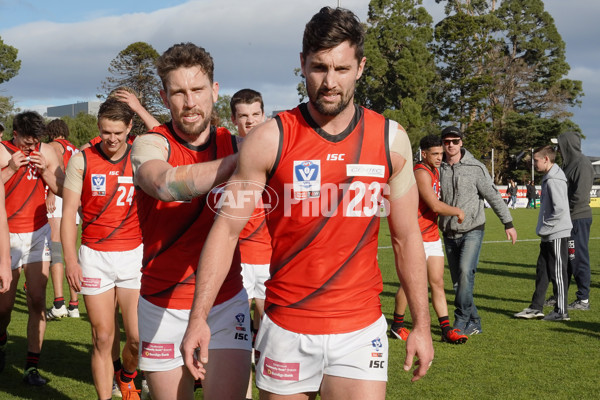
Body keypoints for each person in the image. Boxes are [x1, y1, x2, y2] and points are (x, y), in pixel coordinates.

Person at [181, 7, 434, 400]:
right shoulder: (270, 139)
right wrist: (199, 319)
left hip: (359, 329)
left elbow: (406, 237)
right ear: (302, 64)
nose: (330, 82)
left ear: (361, 67)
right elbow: (227, 230)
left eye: (342, 69)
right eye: (319, 67)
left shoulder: (390, 139)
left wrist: (421, 324)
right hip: (287, 327)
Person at [131, 42, 250, 400]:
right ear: (164, 98)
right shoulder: (150, 144)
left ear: (214, 91)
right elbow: (164, 184)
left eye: (197, 90)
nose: (190, 101)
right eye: (178, 92)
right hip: (162, 299)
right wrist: (238, 163)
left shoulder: (237, 142)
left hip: (225, 298)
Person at [62, 98, 143, 400]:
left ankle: (128, 376)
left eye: (117, 133)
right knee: (103, 337)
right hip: (94, 257)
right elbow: (69, 214)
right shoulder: (81, 159)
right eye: (105, 131)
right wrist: (71, 261)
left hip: (133, 255)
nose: (111, 139)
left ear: (129, 128)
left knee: (137, 338)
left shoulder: (140, 158)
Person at [0, 111, 64, 385]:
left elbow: (63, 188)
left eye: (35, 142)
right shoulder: (3, 152)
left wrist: (46, 171)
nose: (31, 148)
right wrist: (12, 168)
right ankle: (1, 341)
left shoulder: (47, 151)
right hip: (8, 235)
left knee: (37, 300)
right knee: (4, 306)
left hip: (38, 233)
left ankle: (31, 367)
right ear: (15, 134)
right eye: (27, 143)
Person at [438, 125, 517, 335]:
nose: (451, 145)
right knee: (458, 283)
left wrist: (508, 223)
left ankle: (461, 321)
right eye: (447, 142)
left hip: (473, 229)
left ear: (461, 142)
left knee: (465, 273)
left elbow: (493, 196)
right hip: (447, 232)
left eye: (455, 141)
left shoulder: (476, 168)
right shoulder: (437, 168)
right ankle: (475, 322)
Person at [390, 135, 468, 344]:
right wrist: (457, 211)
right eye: (435, 154)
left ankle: (445, 329)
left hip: (431, 235)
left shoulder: (434, 170)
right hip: (415, 236)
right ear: (423, 154)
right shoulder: (420, 172)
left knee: (437, 283)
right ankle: (397, 325)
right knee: (410, 282)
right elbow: (434, 205)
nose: (439, 157)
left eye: (441, 153)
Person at [230, 88, 271, 399]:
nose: (249, 121)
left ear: (263, 116)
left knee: (269, 331)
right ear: (234, 120)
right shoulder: (225, 152)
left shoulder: (276, 152)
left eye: (255, 115)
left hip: (271, 257)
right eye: (243, 116)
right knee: (239, 334)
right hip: (237, 258)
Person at [514, 146, 572, 321]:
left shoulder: (555, 179)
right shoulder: (549, 178)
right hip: (548, 234)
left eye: (536, 160)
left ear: (546, 159)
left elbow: (560, 209)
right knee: (542, 271)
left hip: (556, 233)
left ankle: (561, 311)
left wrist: (546, 226)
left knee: (558, 273)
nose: (534, 163)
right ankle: (536, 307)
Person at [44, 119, 80, 320]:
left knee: (55, 249)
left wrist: (51, 192)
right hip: (72, 199)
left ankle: (59, 303)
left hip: (58, 197)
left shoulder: (52, 146)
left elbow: (56, 169)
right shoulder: (74, 148)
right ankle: (74, 305)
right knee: (70, 251)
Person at [555, 132, 594, 311]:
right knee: (565, 259)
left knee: (577, 258)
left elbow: (580, 196)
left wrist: (564, 211)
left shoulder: (582, 164)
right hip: (567, 219)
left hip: (577, 218)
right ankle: (559, 295)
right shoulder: (568, 164)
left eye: (560, 145)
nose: (558, 149)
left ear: (568, 145)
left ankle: (583, 299)